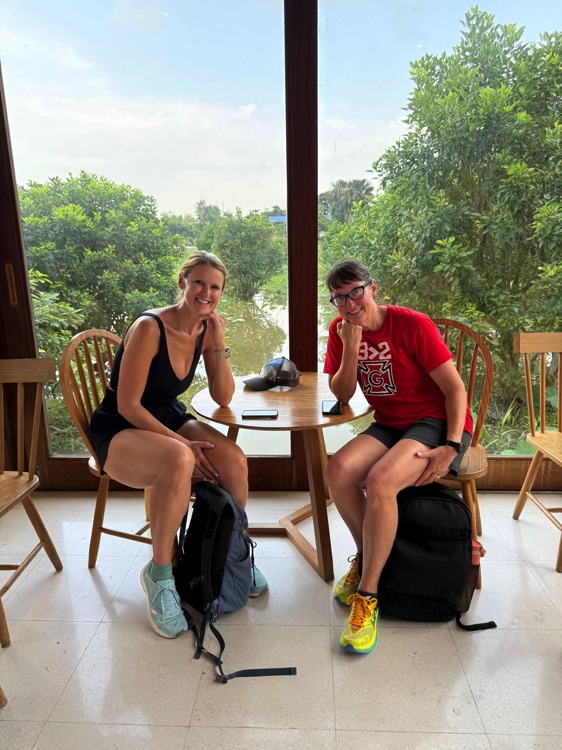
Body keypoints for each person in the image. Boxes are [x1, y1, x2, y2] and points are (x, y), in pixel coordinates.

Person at [90, 250, 268, 639]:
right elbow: (128, 405)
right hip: (119, 427)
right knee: (178, 458)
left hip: (166, 416)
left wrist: (218, 342)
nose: (207, 293)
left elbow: (223, 396)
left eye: (215, 287)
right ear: (182, 282)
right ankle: (159, 575)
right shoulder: (149, 328)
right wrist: (182, 445)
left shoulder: (204, 330)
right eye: (199, 282)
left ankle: (232, 553)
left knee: (235, 461)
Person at [323, 258, 472, 654]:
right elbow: (342, 394)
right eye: (339, 297)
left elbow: (455, 390)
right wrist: (350, 346)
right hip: (391, 423)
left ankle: (369, 595)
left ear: (373, 288)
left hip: (437, 421)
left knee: (380, 480)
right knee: (338, 470)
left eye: (356, 292)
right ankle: (368, 557)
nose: (350, 303)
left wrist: (452, 446)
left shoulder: (411, 324)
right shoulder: (339, 331)